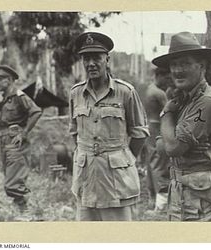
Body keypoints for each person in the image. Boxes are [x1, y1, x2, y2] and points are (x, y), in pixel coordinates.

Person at [152, 31, 211, 222]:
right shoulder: (183, 99)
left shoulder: (206, 102)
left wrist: (166, 114)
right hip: (183, 192)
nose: (178, 70)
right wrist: (170, 141)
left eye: (185, 63)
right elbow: (161, 146)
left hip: (203, 198)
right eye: (174, 64)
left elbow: (171, 148)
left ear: (202, 66)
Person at [69, 32, 149, 221]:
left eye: (96, 58)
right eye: (86, 58)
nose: (91, 64)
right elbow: (75, 132)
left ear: (107, 60)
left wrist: (122, 158)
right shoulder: (76, 93)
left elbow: (140, 133)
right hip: (86, 178)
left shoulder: (125, 92)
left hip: (115, 181)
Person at [0, 65, 42, 212]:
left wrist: (24, 133)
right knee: (9, 177)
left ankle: (25, 208)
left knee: (13, 183)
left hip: (15, 140)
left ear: (9, 80)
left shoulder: (19, 96)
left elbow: (36, 112)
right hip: (5, 139)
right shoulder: (5, 99)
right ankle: (21, 207)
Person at [143, 67, 172, 211]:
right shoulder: (158, 93)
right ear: (159, 76)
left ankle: (153, 201)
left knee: (152, 163)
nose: (168, 81)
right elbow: (170, 110)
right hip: (156, 128)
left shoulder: (149, 89)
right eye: (166, 78)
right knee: (159, 163)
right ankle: (161, 204)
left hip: (149, 128)